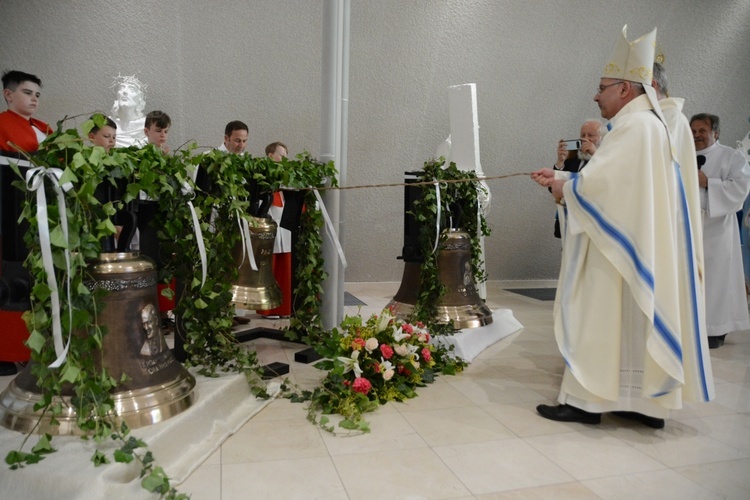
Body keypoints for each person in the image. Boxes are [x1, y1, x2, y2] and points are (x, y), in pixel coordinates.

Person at [531, 25, 714, 428]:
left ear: (626, 89)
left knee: (600, 314)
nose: (596, 95)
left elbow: (602, 189)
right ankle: (639, 403)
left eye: (603, 87)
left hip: (616, 249)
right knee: (633, 324)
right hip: (641, 244)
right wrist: (566, 179)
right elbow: (613, 185)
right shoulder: (652, 124)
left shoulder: (636, 127)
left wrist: (564, 186)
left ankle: (585, 402)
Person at [0, 70, 54, 375]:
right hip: (13, 211)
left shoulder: (44, 127)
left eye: (36, 94)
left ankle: (38, 344)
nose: (33, 99)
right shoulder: (2, 125)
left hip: (41, 209)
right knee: (14, 276)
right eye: (26, 92)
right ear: (8, 94)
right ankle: (9, 351)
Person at [690, 112, 750, 348]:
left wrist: (708, 183)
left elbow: (740, 190)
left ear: (716, 133)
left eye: (702, 131)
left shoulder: (732, 157)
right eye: (693, 131)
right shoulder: (682, 155)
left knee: (716, 280)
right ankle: (692, 325)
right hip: (689, 228)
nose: (696, 136)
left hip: (717, 230)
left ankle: (715, 329)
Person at [257, 141, 294, 318]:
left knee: (284, 270)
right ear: (271, 156)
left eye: (286, 155)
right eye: (282, 155)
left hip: (284, 229)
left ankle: (284, 307)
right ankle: (268, 309)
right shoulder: (262, 176)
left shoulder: (287, 177)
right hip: (268, 228)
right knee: (269, 271)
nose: (285, 159)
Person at [552, 120, 605, 237]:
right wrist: (560, 162)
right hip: (568, 222)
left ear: (601, 138)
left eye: (590, 135)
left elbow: (607, 180)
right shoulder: (572, 160)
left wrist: (595, 154)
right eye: (582, 135)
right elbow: (554, 189)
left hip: (591, 224)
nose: (585, 139)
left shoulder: (607, 160)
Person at [110, 75, 147, 148]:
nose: (125, 92)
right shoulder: (108, 123)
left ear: (140, 98)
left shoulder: (146, 125)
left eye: (132, 90)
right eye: (122, 88)